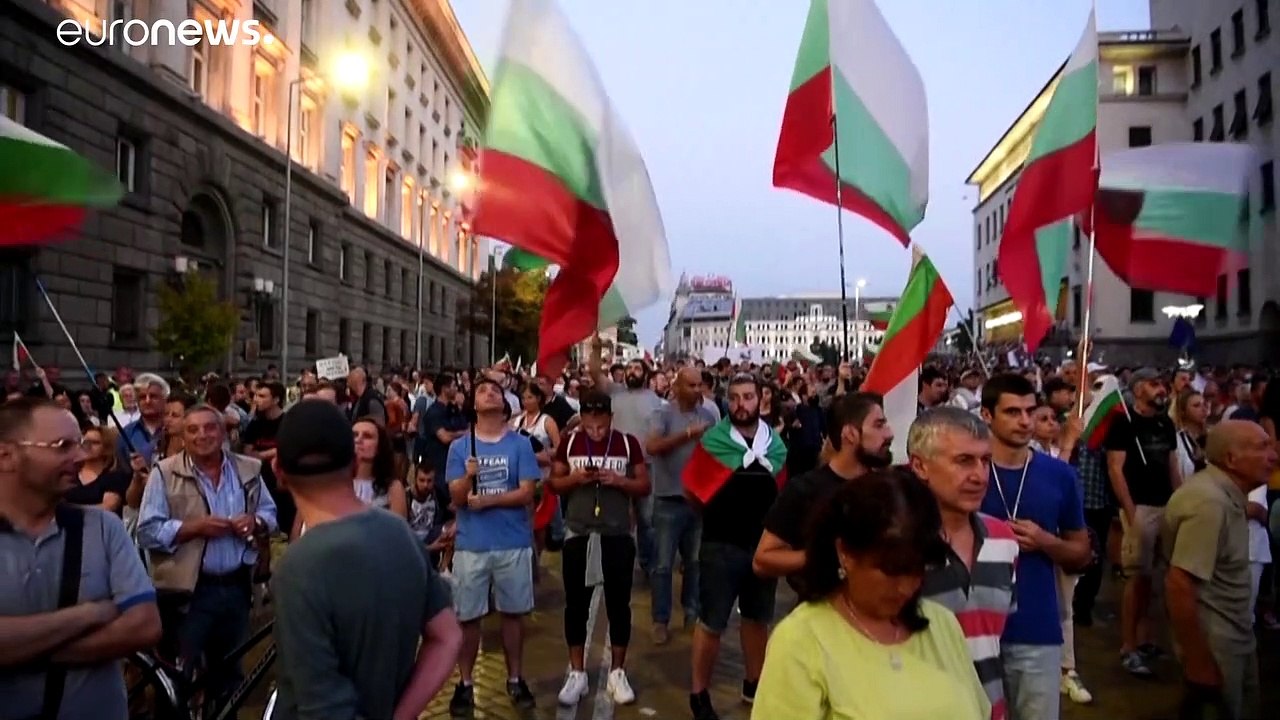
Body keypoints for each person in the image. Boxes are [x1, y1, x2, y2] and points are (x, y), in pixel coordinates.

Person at [269, 400, 462, 720]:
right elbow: (447, 636)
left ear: (279, 470)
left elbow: (324, 707)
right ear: (353, 463)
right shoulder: (399, 533)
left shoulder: (298, 566)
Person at [751, 471, 990, 720]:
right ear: (845, 553)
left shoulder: (942, 624)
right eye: (891, 571)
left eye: (917, 570)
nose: (906, 587)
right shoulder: (801, 640)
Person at [0, 397, 162, 720]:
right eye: (62, 446)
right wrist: (90, 614)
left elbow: (144, 625)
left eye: (79, 444)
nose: (80, 456)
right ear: (6, 455)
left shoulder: (104, 528)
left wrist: (23, 649)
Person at [136, 404, 279, 701]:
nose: (203, 435)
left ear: (224, 432)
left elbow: (270, 513)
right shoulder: (164, 472)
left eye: (210, 427)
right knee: (178, 679)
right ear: (184, 437)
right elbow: (147, 531)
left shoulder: (248, 468)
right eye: (193, 429)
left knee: (230, 677)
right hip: (188, 594)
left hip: (237, 588)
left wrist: (256, 520)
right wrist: (194, 528)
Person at [978, 373, 1091, 720]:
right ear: (986, 415)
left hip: (1037, 629)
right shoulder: (967, 472)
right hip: (972, 631)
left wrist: (1045, 541)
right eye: (1012, 412)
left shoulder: (1060, 475)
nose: (1025, 421)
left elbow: (1082, 554)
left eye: (1030, 411)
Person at [687, 374, 788, 719]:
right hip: (721, 545)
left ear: (761, 399)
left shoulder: (776, 445)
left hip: (763, 547)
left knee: (758, 619)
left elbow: (782, 495)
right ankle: (699, 692)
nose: (741, 404)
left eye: (747, 397)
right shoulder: (713, 442)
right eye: (734, 397)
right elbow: (694, 492)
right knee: (712, 622)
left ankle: (753, 683)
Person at [910, 407, 1019, 720]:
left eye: (985, 461)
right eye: (963, 461)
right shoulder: (893, 547)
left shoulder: (1004, 540)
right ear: (920, 465)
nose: (979, 475)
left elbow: (996, 642)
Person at [1162, 420, 1274, 720]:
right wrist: (1198, 661)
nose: (1273, 455)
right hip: (1216, 644)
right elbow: (1179, 583)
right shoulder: (1209, 503)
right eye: (1261, 448)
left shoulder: (1226, 495)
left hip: (1234, 636)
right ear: (1231, 459)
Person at [445, 378, 541, 714]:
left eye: (496, 391)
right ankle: (465, 682)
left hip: (512, 542)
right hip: (472, 545)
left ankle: (515, 678)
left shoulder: (520, 445)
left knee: (513, 615)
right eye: (483, 390)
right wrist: (467, 478)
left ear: (505, 404)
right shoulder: (460, 447)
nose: (489, 393)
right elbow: (456, 497)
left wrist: (488, 501)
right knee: (468, 617)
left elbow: (527, 492)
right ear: (474, 404)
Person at [548, 390, 649, 706]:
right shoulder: (570, 443)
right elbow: (553, 483)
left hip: (617, 534)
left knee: (619, 605)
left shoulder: (628, 443)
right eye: (589, 423)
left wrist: (619, 481)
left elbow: (644, 485)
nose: (595, 429)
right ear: (583, 418)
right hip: (579, 532)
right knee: (576, 605)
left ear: (609, 417)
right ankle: (576, 672)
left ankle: (617, 672)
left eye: (601, 424)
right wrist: (577, 478)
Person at [754, 392, 892, 583]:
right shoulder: (805, 489)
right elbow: (763, 560)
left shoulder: (889, 487)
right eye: (879, 425)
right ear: (850, 434)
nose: (889, 434)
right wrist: (829, 556)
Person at [1105, 367, 1181, 676]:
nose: (1161, 389)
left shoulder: (1165, 423)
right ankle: (1128, 645)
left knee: (1157, 578)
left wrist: (1180, 502)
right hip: (1140, 508)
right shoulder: (1123, 423)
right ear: (1138, 390)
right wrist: (1130, 511)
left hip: (1167, 506)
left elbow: (1173, 466)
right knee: (1136, 579)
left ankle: (1148, 638)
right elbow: (1115, 469)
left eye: (1162, 384)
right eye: (1153, 384)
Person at [645, 367, 718, 644]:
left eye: (700, 385)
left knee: (696, 562)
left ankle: (691, 612)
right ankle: (660, 619)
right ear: (677, 386)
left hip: (698, 501)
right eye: (691, 385)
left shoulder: (709, 416)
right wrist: (688, 434)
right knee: (662, 564)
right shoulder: (663, 414)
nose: (698, 390)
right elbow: (652, 447)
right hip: (668, 500)